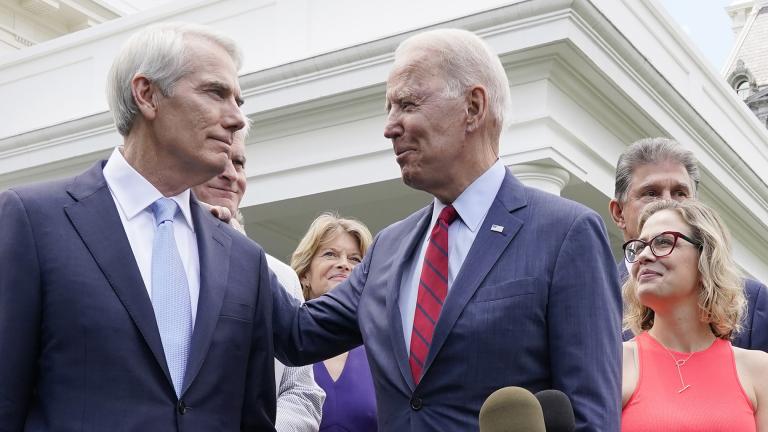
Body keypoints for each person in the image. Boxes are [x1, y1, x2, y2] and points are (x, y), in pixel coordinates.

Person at [270, 28, 622, 431]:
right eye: (389, 108)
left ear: (473, 107)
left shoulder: (566, 233)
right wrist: (214, 235)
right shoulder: (388, 247)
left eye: (407, 103)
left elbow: (591, 418)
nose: (389, 127)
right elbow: (296, 334)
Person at [0, 23, 281, 430]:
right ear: (147, 94)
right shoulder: (33, 220)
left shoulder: (244, 258)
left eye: (238, 99)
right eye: (216, 93)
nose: (238, 118)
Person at [192, 127, 325, 432]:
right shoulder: (154, 261)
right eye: (219, 161)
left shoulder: (280, 276)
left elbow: (303, 392)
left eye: (239, 164)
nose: (230, 175)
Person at [620, 199, 768, 430]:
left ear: (706, 257)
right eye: (639, 247)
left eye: (663, 242)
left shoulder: (759, 371)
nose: (643, 256)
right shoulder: (616, 362)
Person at [609, 137, 768, 350]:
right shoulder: (594, 299)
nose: (668, 202)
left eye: (680, 193)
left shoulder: (752, 300)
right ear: (619, 213)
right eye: (651, 193)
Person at [290, 214, 377, 432]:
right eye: (330, 254)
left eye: (355, 259)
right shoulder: (284, 341)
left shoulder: (382, 346)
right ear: (304, 275)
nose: (344, 265)